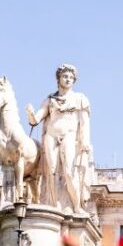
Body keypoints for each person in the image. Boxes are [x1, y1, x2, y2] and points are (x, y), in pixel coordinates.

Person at [26, 64, 92, 214]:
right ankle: (55, 206)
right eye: (65, 76)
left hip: (69, 135)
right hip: (51, 135)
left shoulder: (80, 99)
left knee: (69, 171)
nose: (68, 79)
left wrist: (85, 141)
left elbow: (84, 123)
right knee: (51, 172)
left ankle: (76, 206)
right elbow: (35, 120)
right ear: (59, 78)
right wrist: (30, 113)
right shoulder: (50, 100)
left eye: (71, 77)